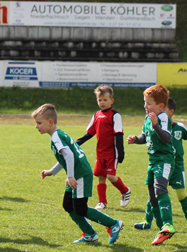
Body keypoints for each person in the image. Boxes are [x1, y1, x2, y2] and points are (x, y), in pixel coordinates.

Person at [33, 104, 123, 244]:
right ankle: (89, 233)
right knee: (68, 205)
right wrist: (52, 171)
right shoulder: (58, 134)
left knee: (80, 208)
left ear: (50, 122)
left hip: (80, 174)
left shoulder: (56, 136)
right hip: (76, 173)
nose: (36, 126)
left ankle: (113, 224)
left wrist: (70, 176)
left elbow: (69, 155)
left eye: (39, 123)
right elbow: (65, 156)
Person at [134, 97, 187, 233]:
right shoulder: (152, 123)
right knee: (155, 192)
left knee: (181, 195)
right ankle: (147, 221)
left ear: (170, 112)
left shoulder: (179, 128)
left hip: (176, 167)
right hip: (161, 163)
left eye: (162, 110)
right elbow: (145, 136)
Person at [127, 84, 175, 245]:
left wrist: (156, 125)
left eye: (148, 103)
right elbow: (144, 137)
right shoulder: (148, 118)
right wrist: (136, 140)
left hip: (164, 160)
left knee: (160, 189)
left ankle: (168, 224)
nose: (145, 106)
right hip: (153, 161)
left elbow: (166, 138)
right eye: (145, 102)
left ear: (160, 106)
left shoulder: (162, 118)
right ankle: (162, 229)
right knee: (152, 197)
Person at [76, 85, 131, 210]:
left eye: (105, 100)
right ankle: (102, 202)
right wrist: (77, 142)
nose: (102, 102)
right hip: (100, 153)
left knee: (110, 176)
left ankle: (125, 190)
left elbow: (118, 134)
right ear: (97, 101)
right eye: (100, 100)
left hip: (112, 152)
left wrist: (121, 152)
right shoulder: (96, 115)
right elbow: (90, 133)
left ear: (112, 101)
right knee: (101, 177)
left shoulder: (115, 115)